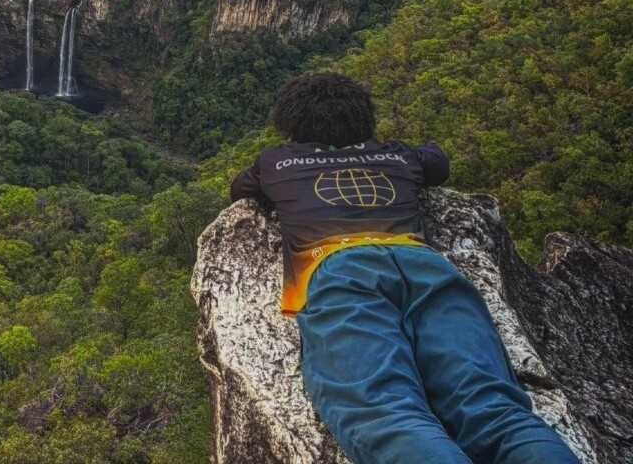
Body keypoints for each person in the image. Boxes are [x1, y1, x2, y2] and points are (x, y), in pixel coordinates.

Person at [229, 72, 580, 464]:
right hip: (427, 268)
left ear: (291, 125)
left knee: (386, 411)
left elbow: (240, 190)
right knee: (493, 408)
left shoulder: (276, 161)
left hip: (340, 271)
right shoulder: (398, 155)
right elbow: (438, 162)